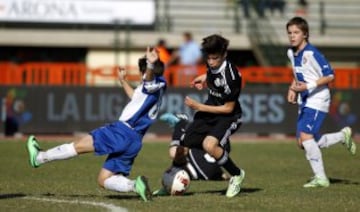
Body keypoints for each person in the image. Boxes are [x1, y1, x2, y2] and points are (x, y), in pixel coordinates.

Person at [26, 47, 167, 202]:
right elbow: (136, 96)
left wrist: (150, 64)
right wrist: (123, 81)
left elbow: (148, 80)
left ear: (143, 72)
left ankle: (39, 157)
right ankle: (135, 185)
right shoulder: (160, 86)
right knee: (104, 179)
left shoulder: (151, 82)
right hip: (135, 140)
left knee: (77, 146)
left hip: (121, 131)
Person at [171, 34, 245, 198]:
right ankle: (170, 181)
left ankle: (237, 175)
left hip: (229, 116)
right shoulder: (212, 63)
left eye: (215, 58)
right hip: (210, 109)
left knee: (209, 145)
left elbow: (228, 108)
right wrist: (204, 78)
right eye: (208, 58)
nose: (211, 62)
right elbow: (212, 72)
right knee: (181, 147)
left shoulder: (231, 77)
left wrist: (198, 106)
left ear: (224, 54)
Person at [286, 17, 356, 188]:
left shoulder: (312, 53)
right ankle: (342, 136)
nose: (292, 36)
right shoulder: (291, 53)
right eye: (289, 33)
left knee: (306, 137)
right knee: (303, 143)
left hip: (318, 99)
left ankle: (321, 178)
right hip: (304, 100)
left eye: (296, 32)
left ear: (305, 34)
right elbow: (298, 76)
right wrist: (292, 89)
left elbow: (330, 75)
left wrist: (308, 86)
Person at [153, 113, 231, 196]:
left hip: (210, 158)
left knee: (174, 153)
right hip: (214, 155)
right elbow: (222, 175)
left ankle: (180, 123)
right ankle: (181, 127)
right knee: (177, 154)